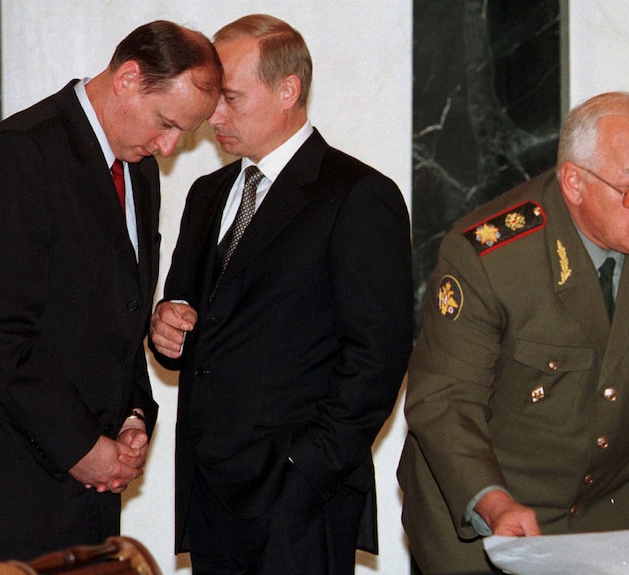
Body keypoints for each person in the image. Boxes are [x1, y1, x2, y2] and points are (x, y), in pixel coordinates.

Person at [397, 91, 629, 574]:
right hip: (491, 507)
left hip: (615, 508)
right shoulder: (492, 259)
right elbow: (445, 401)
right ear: (574, 183)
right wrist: (492, 502)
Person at [0, 20, 222, 574]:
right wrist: (84, 447)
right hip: (5, 497)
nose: (169, 146)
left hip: (91, 494)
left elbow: (126, 314)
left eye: (183, 132)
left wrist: (134, 416)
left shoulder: (139, 170)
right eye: (166, 124)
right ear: (129, 78)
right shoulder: (21, 153)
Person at [149, 14, 413, 575]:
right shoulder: (206, 193)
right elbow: (192, 317)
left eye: (232, 98)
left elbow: (377, 357)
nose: (213, 116)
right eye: (212, 97)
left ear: (288, 90)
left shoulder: (358, 196)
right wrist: (165, 328)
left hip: (298, 502)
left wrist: (306, 466)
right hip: (208, 493)